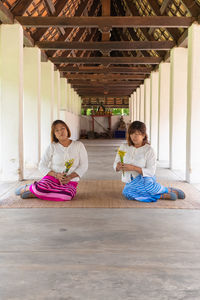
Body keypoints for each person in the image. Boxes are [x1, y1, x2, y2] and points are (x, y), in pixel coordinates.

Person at [15, 120, 88, 201]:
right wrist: (56, 175)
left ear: (67, 130)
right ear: (54, 134)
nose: (60, 132)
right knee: (42, 188)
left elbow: (84, 165)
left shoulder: (79, 145)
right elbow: (42, 165)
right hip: (52, 179)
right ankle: (29, 188)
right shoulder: (52, 146)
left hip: (70, 181)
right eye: (57, 130)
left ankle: (35, 192)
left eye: (63, 128)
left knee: (67, 196)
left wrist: (70, 177)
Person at [113, 121, 185, 202]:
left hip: (144, 178)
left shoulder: (149, 150)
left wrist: (133, 168)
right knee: (128, 192)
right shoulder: (123, 147)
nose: (134, 136)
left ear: (143, 135)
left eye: (137, 134)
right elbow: (116, 162)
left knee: (133, 190)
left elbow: (151, 172)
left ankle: (167, 190)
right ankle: (162, 194)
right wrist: (117, 167)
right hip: (130, 181)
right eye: (132, 133)